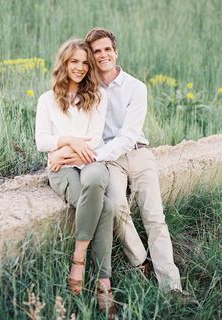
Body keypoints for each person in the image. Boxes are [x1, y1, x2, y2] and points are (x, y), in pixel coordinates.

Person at [50, 29, 183, 294]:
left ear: (115, 52)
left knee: (154, 216)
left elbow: (128, 135)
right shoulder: (87, 87)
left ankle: (172, 287)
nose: (102, 56)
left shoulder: (136, 87)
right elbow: (69, 123)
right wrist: (59, 151)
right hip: (108, 159)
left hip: (136, 152)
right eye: (96, 51)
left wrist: (88, 155)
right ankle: (140, 262)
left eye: (106, 50)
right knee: (118, 207)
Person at [35, 39, 117, 318]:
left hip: (89, 162)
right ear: (64, 63)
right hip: (62, 171)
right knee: (106, 207)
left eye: (85, 62)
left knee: (95, 179)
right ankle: (104, 281)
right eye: (74, 62)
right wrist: (69, 140)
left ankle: (78, 257)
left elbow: (94, 140)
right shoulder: (47, 100)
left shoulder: (96, 97)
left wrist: (63, 152)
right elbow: (42, 141)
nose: (80, 68)